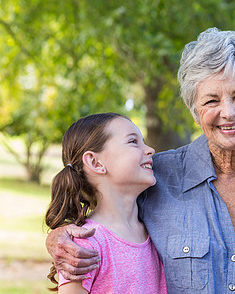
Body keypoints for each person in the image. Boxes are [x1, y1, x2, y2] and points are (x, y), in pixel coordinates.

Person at [45, 28, 235, 293]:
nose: (228, 112)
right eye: (211, 101)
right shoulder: (157, 177)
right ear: (194, 112)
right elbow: (105, 210)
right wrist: (58, 238)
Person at [45, 113, 167, 293]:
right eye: (133, 142)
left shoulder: (157, 230)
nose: (150, 150)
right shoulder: (84, 246)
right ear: (95, 162)